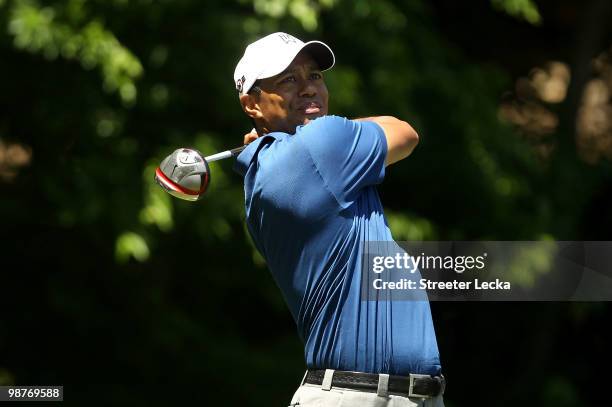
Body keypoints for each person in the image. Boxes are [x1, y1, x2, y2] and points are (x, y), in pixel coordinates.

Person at [233, 32, 445, 407]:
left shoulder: (273, 166)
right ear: (252, 104)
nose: (308, 88)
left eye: (314, 76)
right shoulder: (321, 147)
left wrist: (284, 134)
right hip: (355, 396)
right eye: (288, 80)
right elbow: (405, 132)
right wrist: (311, 133)